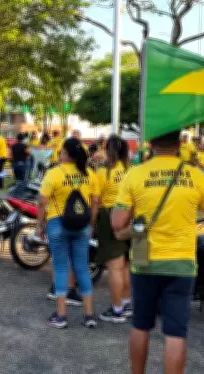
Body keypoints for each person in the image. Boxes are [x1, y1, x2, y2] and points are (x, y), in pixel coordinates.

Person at [112, 130, 204, 374]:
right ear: (179, 144)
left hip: (144, 260)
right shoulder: (195, 175)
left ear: (151, 144)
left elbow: (117, 222)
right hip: (182, 263)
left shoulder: (136, 174)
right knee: (176, 332)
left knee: (140, 325)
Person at [38, 137, 100, 329]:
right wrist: (91, 225)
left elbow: (42, 201)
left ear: (65, 153)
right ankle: (89, 315)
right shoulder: (89, 173)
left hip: (58, 224)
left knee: (61, 267)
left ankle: (61, 315)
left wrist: (40, 224)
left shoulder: (54, 173)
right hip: (82, 225)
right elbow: (95, 203)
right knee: (82, 268)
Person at [95, 136, 132, 323]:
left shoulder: (103, 173)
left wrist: (92, 222)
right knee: (125, 264)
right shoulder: (131, 171)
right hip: (130, 218)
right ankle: (125, 302)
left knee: (114, 267)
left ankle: (117, 309)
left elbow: (96, 200)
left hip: (110, 217)